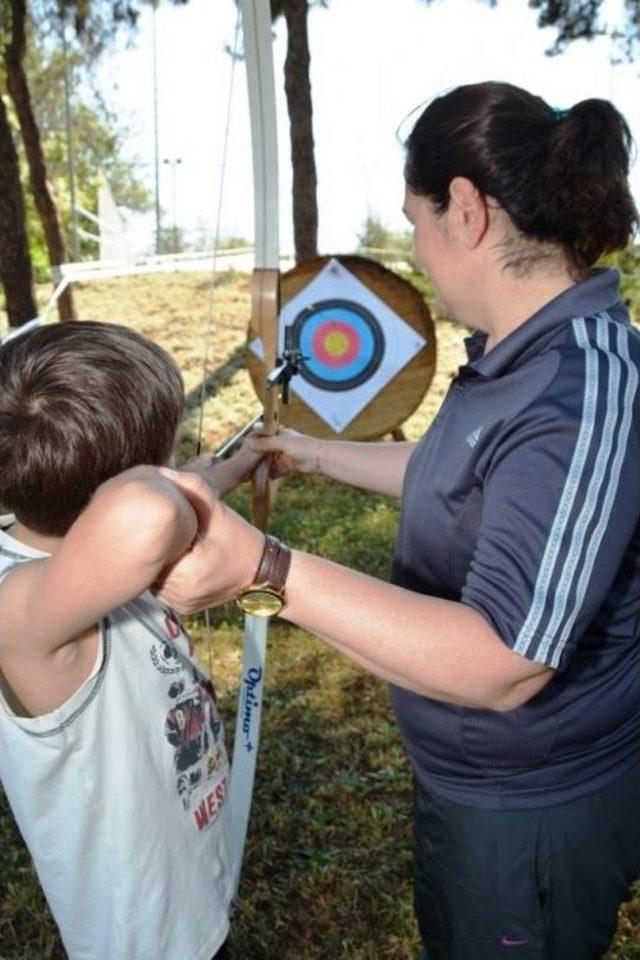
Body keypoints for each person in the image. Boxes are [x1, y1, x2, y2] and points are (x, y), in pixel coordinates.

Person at [155, 82, 640, 960]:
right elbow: (470, 476)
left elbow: (506, 660)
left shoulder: (582, 388)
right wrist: (311, 453)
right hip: (470, 783)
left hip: (531, 814)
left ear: (467, 211)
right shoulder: (516, 360)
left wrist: (269, 569)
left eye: (416, 219)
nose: (414, 248)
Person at [0, 321, 259, 960]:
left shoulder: (78, 556)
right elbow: (146, 516)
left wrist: (232, 466)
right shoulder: (18, 608)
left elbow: (151, 504)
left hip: (184, 891)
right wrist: (166, 481)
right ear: (134, 474)